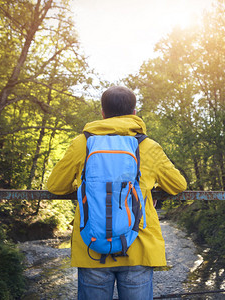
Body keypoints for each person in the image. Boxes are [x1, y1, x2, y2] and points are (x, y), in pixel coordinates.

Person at [47, 86, 187, 300]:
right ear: (134, 112)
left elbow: (55, 186)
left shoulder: (82, 144)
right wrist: (149, 190)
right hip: (138, 246)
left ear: (102, 113)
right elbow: (178, 186)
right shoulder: (148, 147)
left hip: (91, 247)